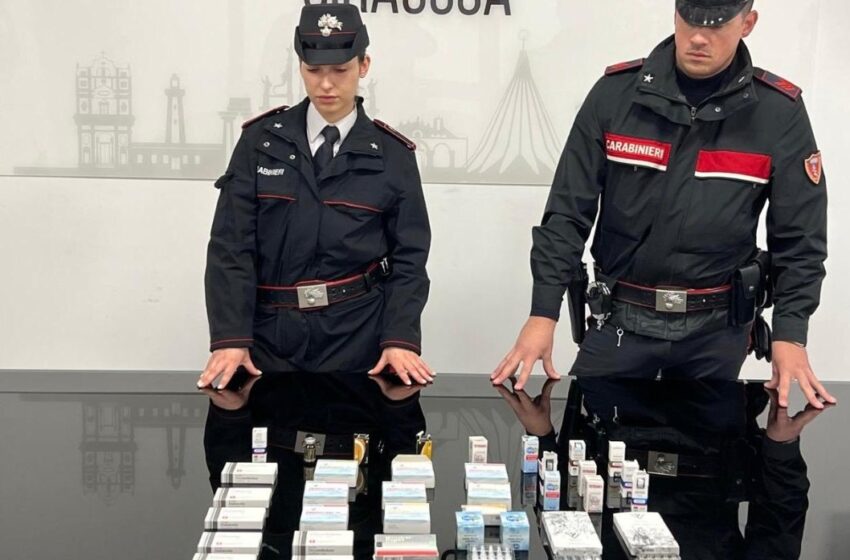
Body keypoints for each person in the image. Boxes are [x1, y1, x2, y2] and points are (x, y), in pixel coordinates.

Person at [493, 0, 836, 410]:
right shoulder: (616, 96)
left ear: (747, 23)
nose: (698, 37)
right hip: (620, 321)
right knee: (581, 444)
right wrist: (542, 313)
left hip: (716, 335)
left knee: (716, 449)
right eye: (689, 21)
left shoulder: (778, 113)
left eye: (716, 26)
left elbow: (800, 239)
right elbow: (567, 214)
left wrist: (790, 334)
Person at [199, 4, 433, 390]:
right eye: (314, 70)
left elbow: (409, 257)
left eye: (340, 70)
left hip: (359, 336)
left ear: (364, 66)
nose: (326, 84)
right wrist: (230, 338)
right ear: (300, 67)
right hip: (268, 339)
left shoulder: (393, 155)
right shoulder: (260, 143)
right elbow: (231, 246)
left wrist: (399, 338)